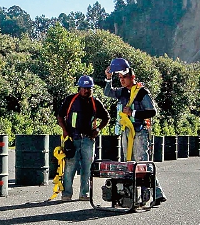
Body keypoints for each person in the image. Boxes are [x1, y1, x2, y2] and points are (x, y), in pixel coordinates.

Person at [102, 58, 166, 206]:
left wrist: (133, 113)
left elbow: (152, 111)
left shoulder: (142, 92)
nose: (122, 80)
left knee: (143, 163)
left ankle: (154, 193)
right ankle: (136, 197)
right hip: (126, 132)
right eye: (120, 78)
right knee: (129, 164)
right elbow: (108, 92)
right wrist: (108, 78)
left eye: (124, 77)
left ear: (132, 77)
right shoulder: (122, 92)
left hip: (139, 131)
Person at [56, 75, 110, 201]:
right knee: (70, 167)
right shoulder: (70, 100)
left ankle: (84, 193)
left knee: (87, 167)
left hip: (88, 140)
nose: (86, 91)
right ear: (79, 88)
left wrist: (97, 130)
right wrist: (65, 131)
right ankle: (66, 194)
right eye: (84, 88)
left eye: (89, 88)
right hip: (72, 139)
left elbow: (106, 117)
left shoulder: (95, 102)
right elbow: (60, 116)